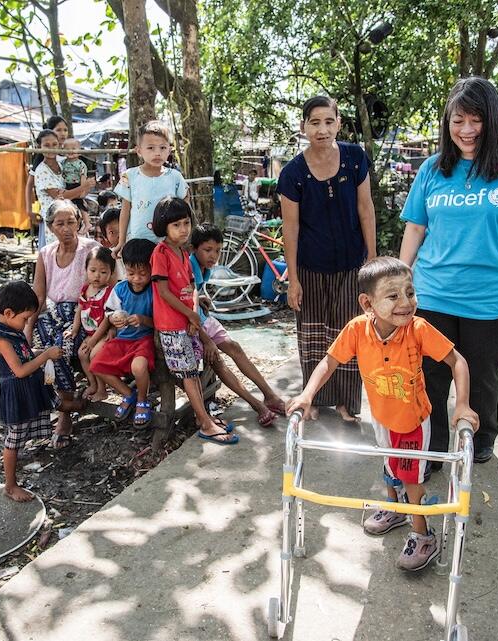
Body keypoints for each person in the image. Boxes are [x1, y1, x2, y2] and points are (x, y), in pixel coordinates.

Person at [288, 257, 478, 571]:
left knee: (412, 480)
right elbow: (329, 362)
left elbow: (458, 362)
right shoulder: (357, 330)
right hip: (381, 416)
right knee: (389, 464)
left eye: (410, 292)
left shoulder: (418, 329)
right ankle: (394, 508)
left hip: (413, 422)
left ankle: (423, 535)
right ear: (367, 303)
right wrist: (308, 395)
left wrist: (462, 405)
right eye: (393, 296)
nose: (406, 302)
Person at [399, 76, 498, 464]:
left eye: (476, 120)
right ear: (447, 123)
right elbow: (415, 226)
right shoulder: (433, 169)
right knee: (430, 376)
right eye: (458, 120)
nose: (466, 130)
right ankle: (431, 449)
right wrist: (400, 278)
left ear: (492, 120)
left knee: (482, 375)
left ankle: (481, 440)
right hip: (434, 293)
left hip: (493, 297)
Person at [278, 95, 377, 423]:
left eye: (329, 121)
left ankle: (347, 403)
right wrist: (293, 278)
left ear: (339, 123)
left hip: (352, 265)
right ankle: (313, 398)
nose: (322, 129)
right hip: (310, 267)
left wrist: (372, 259)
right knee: (313, 333)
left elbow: (365, 208)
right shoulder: (293, 173)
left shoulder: (354, 158)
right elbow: (290, 228)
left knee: (350, 332)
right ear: (303, 126)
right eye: (315, 122)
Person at [150, 198, 237, 444]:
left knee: (193, 372)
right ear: (163, 227)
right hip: (171, 325)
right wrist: (189, 314)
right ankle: (206, 423)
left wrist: (194, 314)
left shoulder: (183, 252)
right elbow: (164, 292)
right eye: (176, 225)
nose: (184, 229)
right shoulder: (161, 253)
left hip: (187, 322)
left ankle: (203, 417)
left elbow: (192, 287)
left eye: (186, 223)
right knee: (189, 374)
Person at [190, 224, 287, 426]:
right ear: (194, 249)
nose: (213, 256)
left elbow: (192, 297)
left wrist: (200, 298)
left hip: (203, 319)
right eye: (207, 250)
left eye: (217, 250)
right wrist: (206, 340)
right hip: (193, 326)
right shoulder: (190, 266)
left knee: (235, 347)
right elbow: (185, 305)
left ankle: (269, 396)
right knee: (217, 361)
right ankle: (257, 405)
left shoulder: (203, 268)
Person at [27, 199, 97, 448]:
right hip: (52, 316)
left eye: (71, 222)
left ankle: (66, 412)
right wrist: (27, 329)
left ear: (79, 222)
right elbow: (38, 295)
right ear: (49, 227)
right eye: (60, 223)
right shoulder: (45, 254)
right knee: (40, 354)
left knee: (57, 351)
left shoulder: (90, 248)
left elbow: (107, 284)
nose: (66, 228)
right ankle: (61, 403)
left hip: (82, 316)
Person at [0, 281, 64, 502]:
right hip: (16, 391)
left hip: (27, 388)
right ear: (9, 313)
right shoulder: (1, 339)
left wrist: (39, 352)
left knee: (19, 436)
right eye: (24, 319)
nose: (25, 325)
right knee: (14, 440)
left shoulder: (10, 327)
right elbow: (20, 370)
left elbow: (23, 354)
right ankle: (10, 486)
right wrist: (44, 356)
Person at [89, 239, 157, 427]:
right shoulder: (119, 289)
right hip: (123, 339)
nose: (136, 278)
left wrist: (143, 320)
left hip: (144, 340)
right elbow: (109, 313)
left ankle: (143, 400)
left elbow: (159, 322)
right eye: (131, 273)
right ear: (124, 268)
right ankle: (128, 394)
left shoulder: (154, 290)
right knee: (96, 365)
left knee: (138, 367)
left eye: (142, 273)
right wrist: (113, 320)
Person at [112, 120, 188, 257]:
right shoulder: (130, 176)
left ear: (169, 150)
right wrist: (121, 241)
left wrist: (184, 237)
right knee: (140, 277)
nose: (157, 153)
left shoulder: (175, 177)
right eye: (151, 148)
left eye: (163, 148)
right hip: (138, 242)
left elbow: (185, 208)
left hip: (168, 243)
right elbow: (125, 211)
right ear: (139, 151)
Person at [67, 246, 117, 401]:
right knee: (82, 354)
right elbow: (79, 309)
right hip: (89, 333)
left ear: (111, 273)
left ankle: (102, 389)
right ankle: (93, 383)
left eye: (103, 272)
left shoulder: (109, 293)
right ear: (86, 269)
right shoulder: (85, 290)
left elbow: (107, 319)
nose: (97, 276)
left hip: (102, 333)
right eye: (93, 270)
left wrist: (95, 339)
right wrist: (74, 330)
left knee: (95, 356)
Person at [33, 129, 94, 248]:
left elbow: (77, 191)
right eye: (46, 145)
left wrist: (83, 189)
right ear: (39, 147)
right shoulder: (42, 170)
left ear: (60, 145)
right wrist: (84, 186)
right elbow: (59, 196)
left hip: (73, 220)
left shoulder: (64, 164)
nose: (51, 148)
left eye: (54, 144)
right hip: (57, 223)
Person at [26, 115, 70, 232]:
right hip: (51, 213)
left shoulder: (68, 155)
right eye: (58, 130)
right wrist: (29, 209)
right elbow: (30, 184)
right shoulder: (42, 160)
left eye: (65, 130)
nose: (63, 134)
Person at [61, 137, 91, 233]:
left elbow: (83, 177)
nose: (71, 151)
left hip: (77, 185)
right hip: (66, 186)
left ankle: (87, 223)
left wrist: (83, 189)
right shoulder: (62, 163)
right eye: (67, 149)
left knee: (81, 205)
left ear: (79, 151)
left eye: (74, 148)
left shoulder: (81, 164)